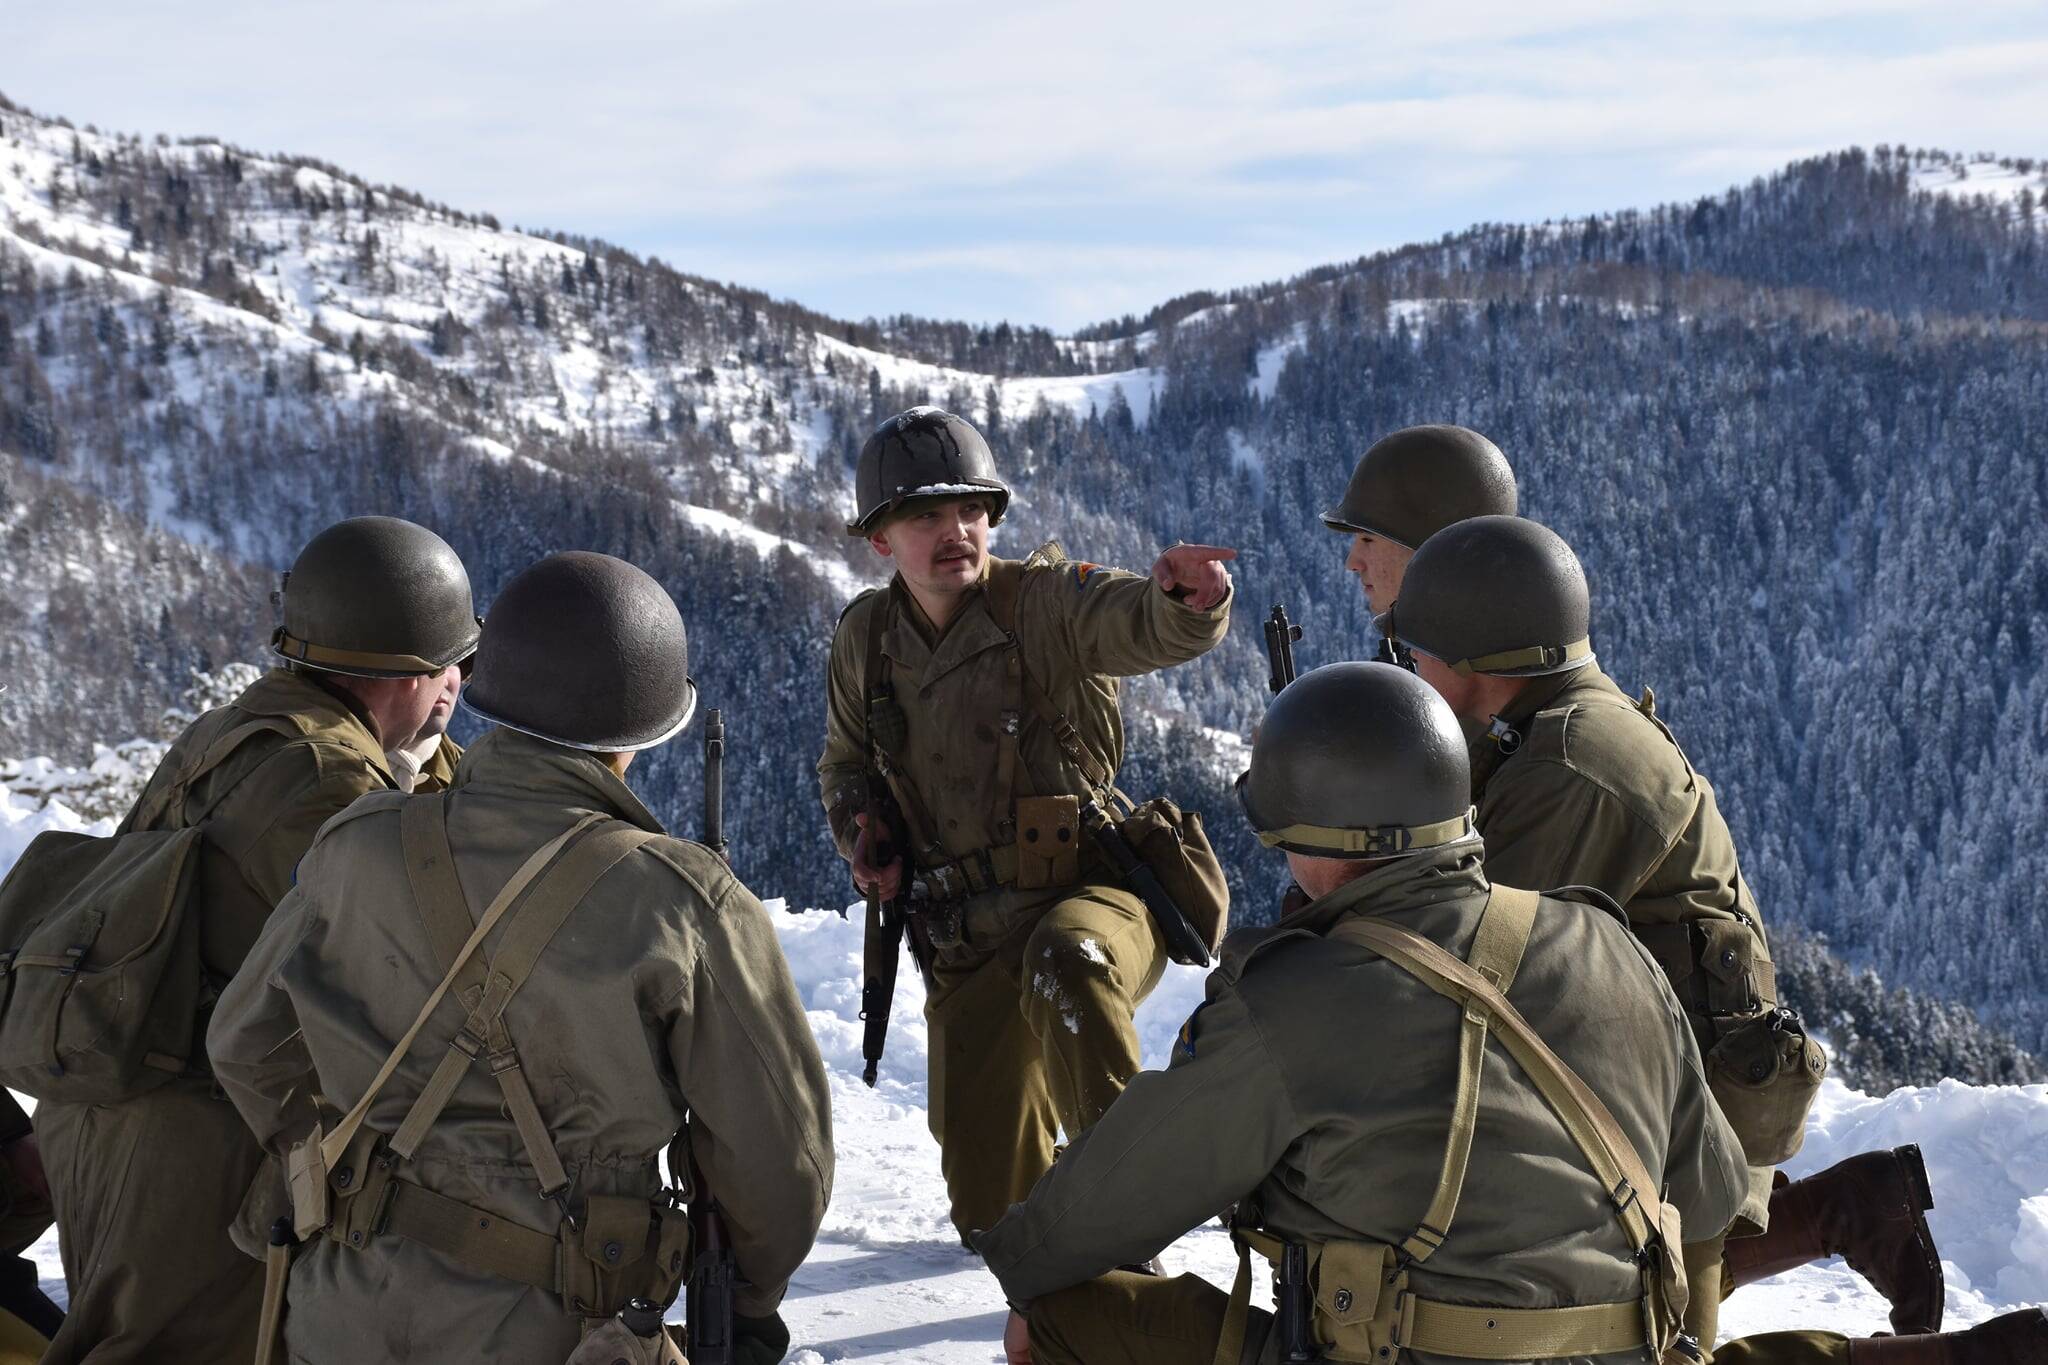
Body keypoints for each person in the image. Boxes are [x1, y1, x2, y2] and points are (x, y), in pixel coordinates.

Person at [1393, 515, 2046, 1365]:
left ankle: (1980, 1358)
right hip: (1664, 1099)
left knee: (1655, 1342)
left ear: (1485, 655)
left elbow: (1465, 965)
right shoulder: (1551, 725)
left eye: (1420, 650)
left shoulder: (1570, 765)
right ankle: (1850, 1209)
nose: (1409, 668)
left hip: (1674, 1121)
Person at [980, 661, 1748, 1365]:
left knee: (1054, 1312)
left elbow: (1108, 1202)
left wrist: (1017, 1256)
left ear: (1314, 836)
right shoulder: (1606, 941)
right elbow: (1712, 1189)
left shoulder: (1295, 999)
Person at [210, 551, 833, 1364]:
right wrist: (747, 1300)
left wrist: (335, 1166)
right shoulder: (683, 900)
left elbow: (244, 1044)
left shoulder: (354, 844)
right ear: (644, 730)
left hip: (341, 1307)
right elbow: (781, 1163)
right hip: (560, 1326)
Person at [34, 515, 479, 1365]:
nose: (458, 681)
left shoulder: (239, 729)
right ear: (403, 674)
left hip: (113, 1108)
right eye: (448, 664)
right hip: (195, 1145)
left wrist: (413, 768)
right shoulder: (332, 780)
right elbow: (420, 957)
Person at [817, 406, 1234, 1241]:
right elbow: (846, 764)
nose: (956, 531)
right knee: (994, 1219)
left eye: (971, 510)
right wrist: (863, 832)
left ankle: (1128, 1211)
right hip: (966, 936)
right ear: (880, 540)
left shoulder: (1044, 602)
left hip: (1095, 895)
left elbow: (1136, 620)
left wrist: (1188, 604)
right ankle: (1051, 1212)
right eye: (927, 515)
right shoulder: (867, 639)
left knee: (1068, 959)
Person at [1320, 423, 1516, 658]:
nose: (1352, 563)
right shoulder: (1474, 670)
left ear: (1433, 551)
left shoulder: (1474, 682)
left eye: (1368, 540)